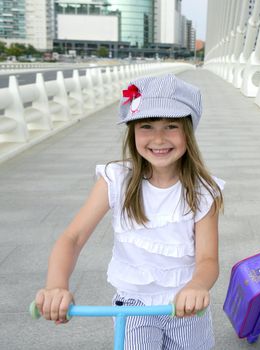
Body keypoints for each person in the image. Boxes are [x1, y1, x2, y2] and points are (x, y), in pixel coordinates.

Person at [34, 74, 224, 350]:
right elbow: (73, 238)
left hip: (186, 304)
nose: (159, 138)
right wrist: (56, 285)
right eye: (146, 126)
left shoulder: (203, 190)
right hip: (133, 304)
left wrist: (197, 286)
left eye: (171, 126)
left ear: (188, 132)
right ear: (132, 131)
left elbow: (208, 259)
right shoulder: (116, 179)